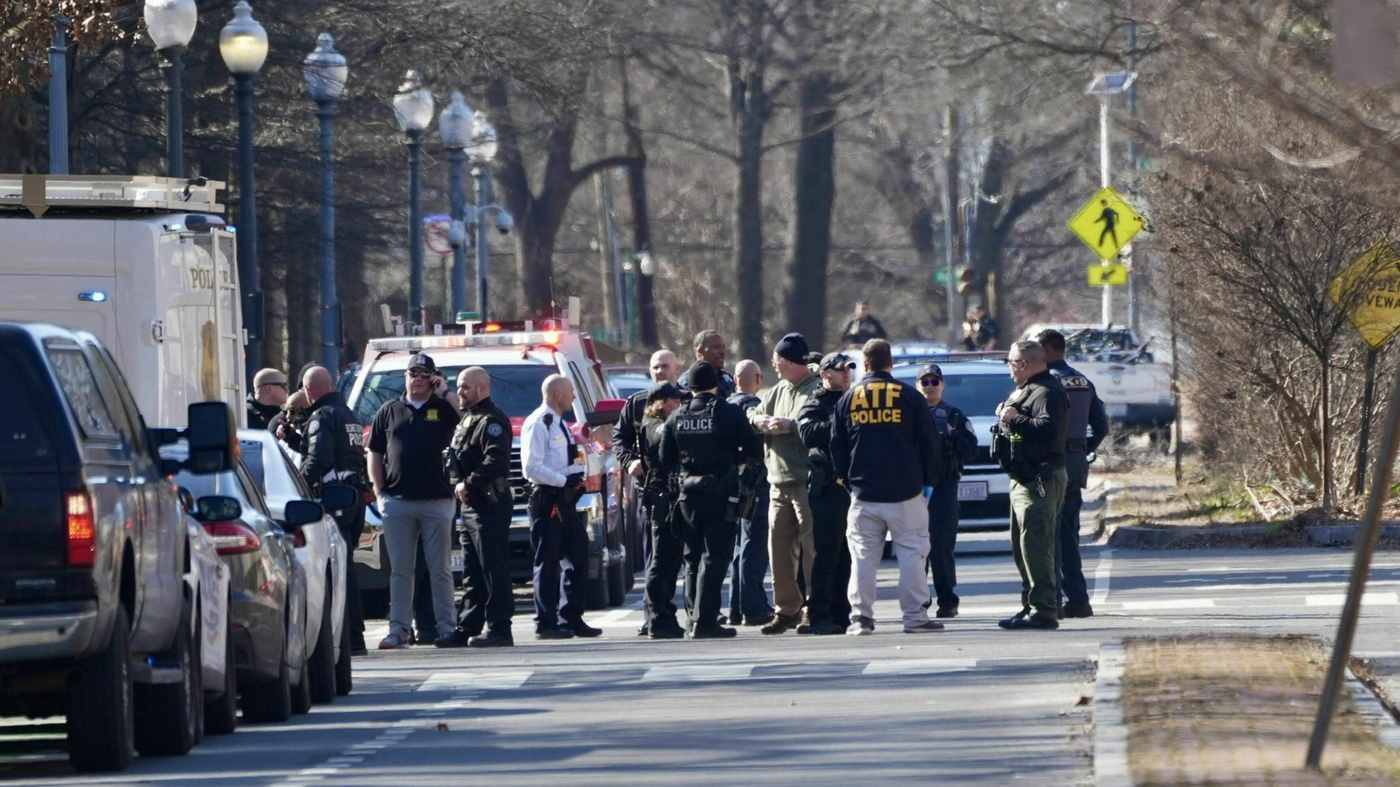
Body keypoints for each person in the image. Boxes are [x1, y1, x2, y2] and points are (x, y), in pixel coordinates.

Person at [830, 339, 944, 635]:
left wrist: (848, 482)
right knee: (912, 554)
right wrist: (929, 482)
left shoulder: (848, 399)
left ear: (865, 365)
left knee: (863, 558)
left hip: (863, 493)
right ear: (890, 363)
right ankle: (915, 617)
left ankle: (861, 618)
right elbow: (930, 444)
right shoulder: (909, 396)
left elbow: (837, 448)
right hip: (906, 491)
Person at [660, 361, 763, 639]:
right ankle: (706, 622)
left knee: (692, 558)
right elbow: (755, 448)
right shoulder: (728, 412)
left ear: (689, 386)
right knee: (715, 558)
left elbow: (664, 460)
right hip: (721, 494)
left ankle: (694, 619)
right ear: (715, 384)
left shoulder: (676, 416)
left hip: (686, 495)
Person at [367, 352, 461, 649]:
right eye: (413, 373)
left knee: (440, 569)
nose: (418, 379)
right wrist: (380, 492)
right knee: (400, 570)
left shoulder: (443, 408)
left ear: (432, 379)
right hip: (397, 502)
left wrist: (445, 390)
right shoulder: (389, 410)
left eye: (424, 374)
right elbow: (375, 453)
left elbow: (465, 418)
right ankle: (399, 630)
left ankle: (447, 627)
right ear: (405, 378)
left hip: (437, 501)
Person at [748, 333, 821, 635]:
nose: (774, 366)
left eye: (778, 361)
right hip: (777, 484)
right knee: (778, 550)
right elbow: (754, 410)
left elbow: (809, 423)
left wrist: (789, 426)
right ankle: (786, 609)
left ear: (791, 362)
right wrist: (757, 421)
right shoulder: (778, 390)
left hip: (805, 481)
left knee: (811, 549)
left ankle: (814, 608)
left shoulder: (814, 389)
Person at [993, 340, 1069, 631]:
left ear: (1024, 364)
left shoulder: (1048, 390)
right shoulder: (1028, 390)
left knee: (1036, 544)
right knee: (1022, 545)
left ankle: (1044, 610)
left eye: (1011, 362)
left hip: (1041, 478)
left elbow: (1048, 429)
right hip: (1023, 478)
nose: (1010, 368)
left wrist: (1015, 417)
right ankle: (1031, 605)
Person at [438, 367, 515, 648]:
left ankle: (500, 629)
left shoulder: (491, 421)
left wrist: (467, 484)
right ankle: (467, 625)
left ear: (482, 389)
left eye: (465, 387)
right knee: (472, 570)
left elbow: (497, 461)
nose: (460, 392)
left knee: (493, 568)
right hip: (471, 507)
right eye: (459, 387)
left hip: (489, 504)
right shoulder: (469, 419)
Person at [522, 375, 603, 640]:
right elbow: (531, 468)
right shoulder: (538, 423)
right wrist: (562, 481)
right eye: (570, 392)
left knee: (577, 558)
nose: (574, 397)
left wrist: (578, 472)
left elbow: (562, 459)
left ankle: (571, 618)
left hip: (566, 502)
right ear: (557, 394)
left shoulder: (560, 424)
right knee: (547, 563)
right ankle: (545, 623)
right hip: (548, 501)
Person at [1036, 329, 1109, 619]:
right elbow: (1101, 424)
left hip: (1053, 462)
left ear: (1050, 350)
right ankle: (1078, 599)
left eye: (1039, 351)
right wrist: (1084, 449)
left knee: (1049, 534)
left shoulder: (1047, 383)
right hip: (1077, 460)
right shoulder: (1083, 381)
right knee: (1069, 532)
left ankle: (1052, 600)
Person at [298, 365, 369, 654]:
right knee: (346, 566)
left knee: (337, 570)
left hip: (333, 498)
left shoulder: (322, 416)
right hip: (353, 496)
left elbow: (320, 456)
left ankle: (349, 636)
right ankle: (355, 635)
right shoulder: (347, 414)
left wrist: (300, 483)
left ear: (309, 390)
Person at [614, 350, 682, 636]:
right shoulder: (637, 404)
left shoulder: (684, 401)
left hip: (683, 489)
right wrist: (630, 461)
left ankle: (693, 613)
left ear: (677, 369)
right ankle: (652, 615)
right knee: (655, 556)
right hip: (653, 491)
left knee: (679, 558)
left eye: (665, 366)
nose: (659, 371)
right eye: (655, 367)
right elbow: (620, 440)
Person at [795, 352, 857, 635]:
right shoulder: (816, 403)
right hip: (827, 487)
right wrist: (842, 423)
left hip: (852, 487)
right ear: (824, 374)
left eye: (849, 369)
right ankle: (819, 613)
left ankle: (841, 612)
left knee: (847, 554)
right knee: (827, 552)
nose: (846, 374)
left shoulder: (856, 401)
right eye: (840, 370)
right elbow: (808, 434)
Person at [915, 363, 979, 618]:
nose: (930, 387)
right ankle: (919, 600)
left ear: (942, 385)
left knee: (941, 546)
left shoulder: (954, 416)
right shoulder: (909, 413)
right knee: (916, 548)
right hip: (915, 489)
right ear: (917, 385)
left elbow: (971, 450)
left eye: (935, 382)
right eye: (925, 382)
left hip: (944, 487)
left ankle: (947, 600)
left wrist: (954, 437)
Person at [725, 359, 774, 627]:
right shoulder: (752, 407)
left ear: (734, 379)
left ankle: (736, 606)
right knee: (754, 546)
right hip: (753, 484)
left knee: (738, 548)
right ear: (758, 379)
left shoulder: (723, 406)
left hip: (729, 484)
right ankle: (752, 606)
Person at [639, 382, 687, 638]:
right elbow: (662, 436)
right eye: (673, 402)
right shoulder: (653, 425)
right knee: (661, 560)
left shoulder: (667, 422)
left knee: (672, 560)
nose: (678, 407)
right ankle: (657, 617)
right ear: (659, 403)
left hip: (672, 497)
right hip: (660, 499)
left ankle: (666, 612)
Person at [677, 330, 736, 399]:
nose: (722, 352)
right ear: (700, 351)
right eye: (716, 347)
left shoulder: (728, 380)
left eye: (723, 347)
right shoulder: (686, 383)